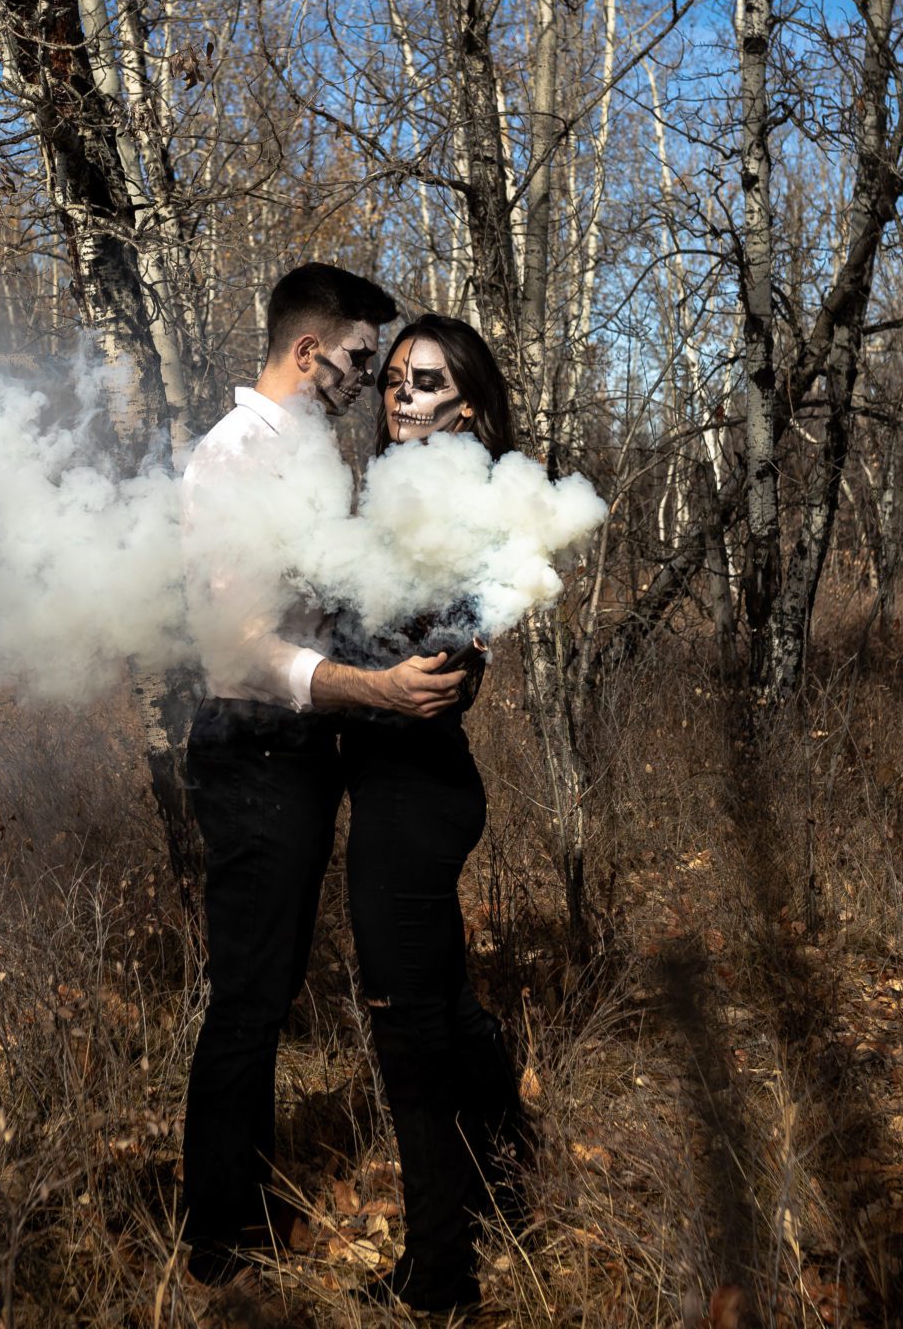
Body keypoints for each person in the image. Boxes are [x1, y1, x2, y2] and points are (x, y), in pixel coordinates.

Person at [176, 264, 472, 1284]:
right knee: (252, 998)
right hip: (252, 748)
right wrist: (377, 694)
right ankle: (220, 1242)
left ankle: (245, 1212)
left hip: (304, 752)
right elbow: (241, 651)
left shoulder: (305, 461)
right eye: (356, 360)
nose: (367, 383)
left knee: (274, 987)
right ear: (309, 354)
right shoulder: (234, 463)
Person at [341, 314, 536, 1317]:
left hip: (414, 796)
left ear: (467, 403)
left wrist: (323, 664)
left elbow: (440, 676)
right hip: (410, 789)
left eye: (425, 384)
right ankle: (507, 1186)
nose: (401, 397)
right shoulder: (390, 495)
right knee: (446, 1006)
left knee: (405, 1033)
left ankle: (439, 1274)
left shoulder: (471, 506)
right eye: (394, 381)